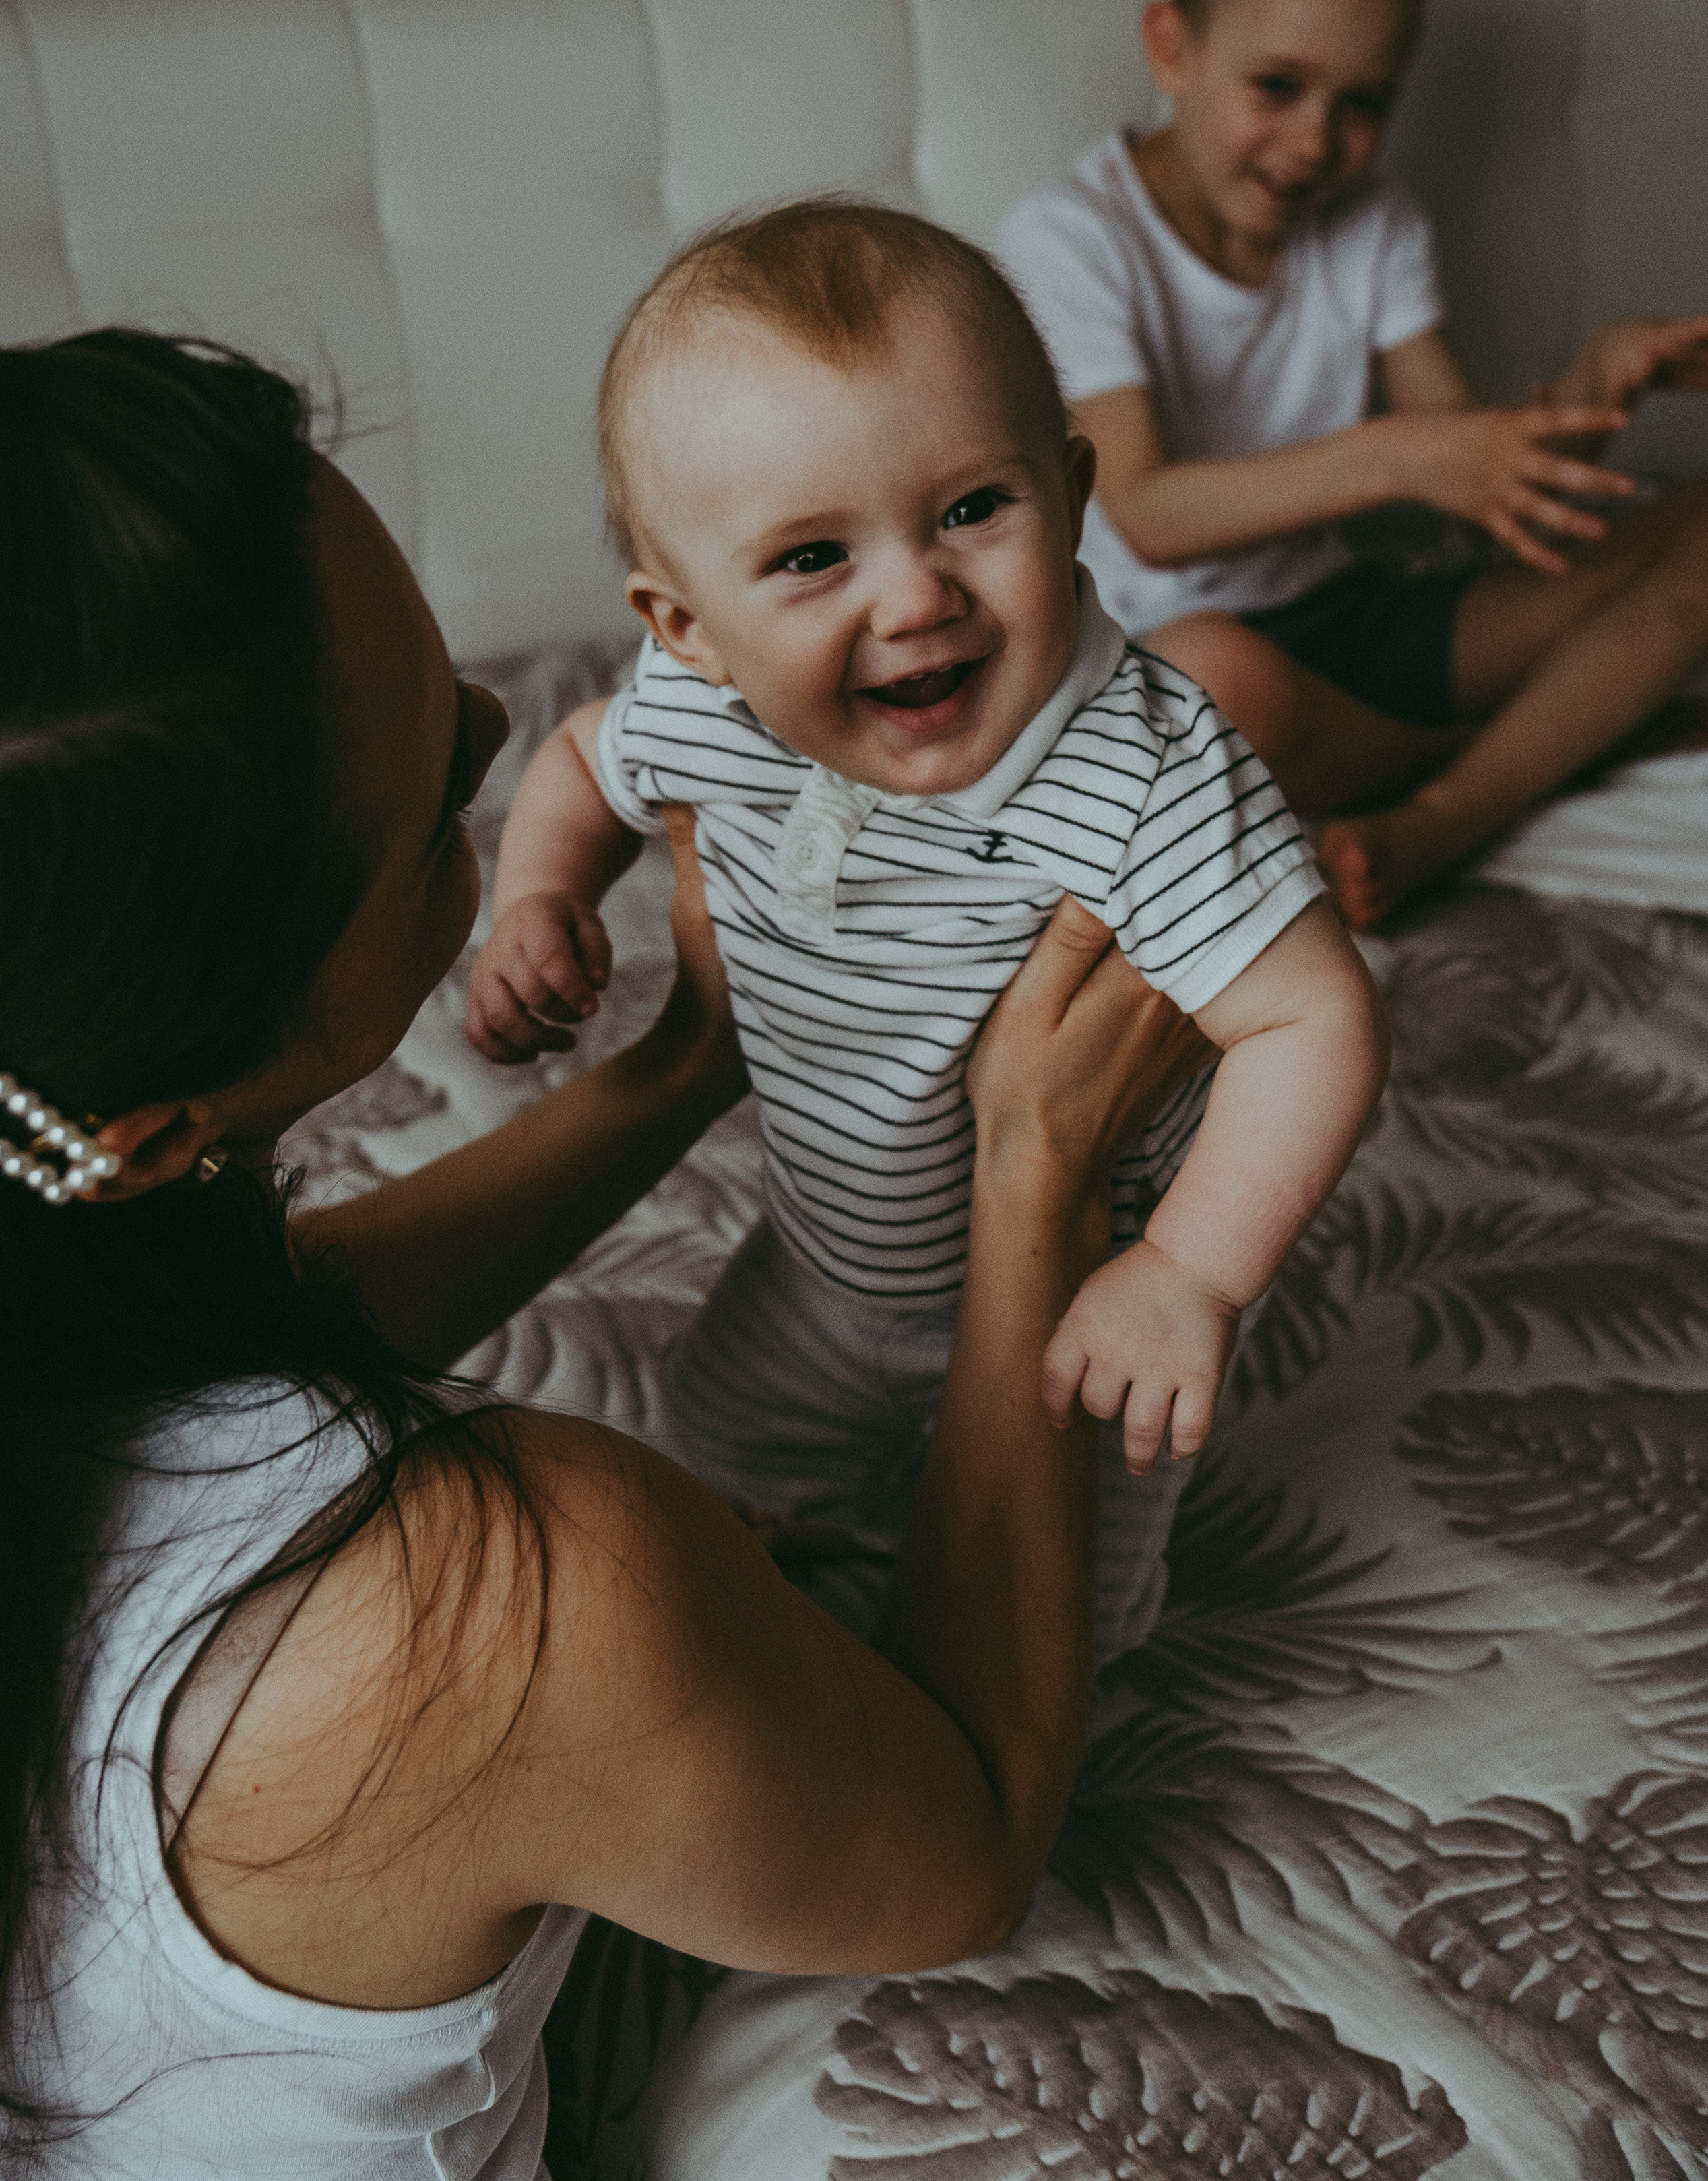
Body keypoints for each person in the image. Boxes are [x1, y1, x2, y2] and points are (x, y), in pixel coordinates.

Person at [0, 327, 1213, 2175]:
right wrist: (1036, 1171)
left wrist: (685, 1064)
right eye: (432, 821)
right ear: (155, 1130)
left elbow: (190, 1368)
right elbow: (962, 1845)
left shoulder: (64, 1265)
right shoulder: (500, 1604)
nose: (504, 728)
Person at [464, 201, 1387, 1667]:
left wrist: (1190, 1277)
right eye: (811, 556)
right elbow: (580, 760)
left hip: (1077, 1284)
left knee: (1059, 1624)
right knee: (714, 1456)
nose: (914, 594)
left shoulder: (1141, 768)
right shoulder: (704, 704)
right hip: (827, 1258)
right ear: (684, 623)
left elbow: (1315, 1016)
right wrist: (540, 895)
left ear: (1068, 491)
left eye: (971, 509)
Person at [994, 0, 1708, 926]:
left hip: (1356, 621)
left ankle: (1447, 810)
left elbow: (1483, 484)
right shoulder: (1072, 236)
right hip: (1187, 651)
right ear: (1172, 47)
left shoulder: (1375, 225)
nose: (1316, 141)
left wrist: (1598, 379)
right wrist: (1398, 459)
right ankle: (1536, 751)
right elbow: (1145, 511)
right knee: (1215, 681)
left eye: (1363, 103)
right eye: (1278, 86)